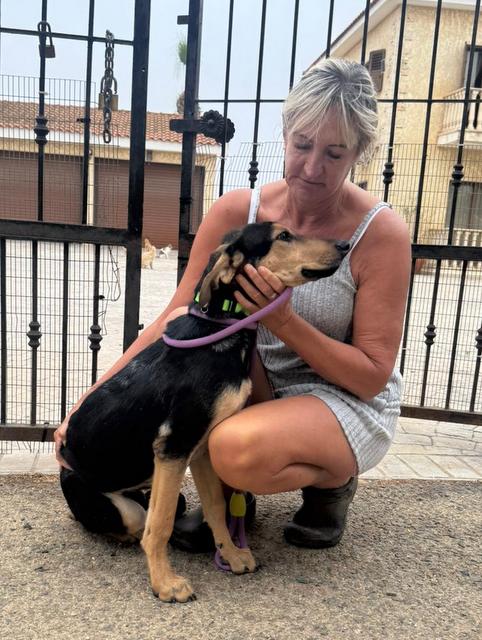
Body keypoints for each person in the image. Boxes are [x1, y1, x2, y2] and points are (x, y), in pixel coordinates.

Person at [54, 58, 411, 550]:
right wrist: (86, 402)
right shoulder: (239, 213)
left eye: (334, 153)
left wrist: (282, 320)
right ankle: (233, 492)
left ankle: (331, 483)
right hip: (252, 382)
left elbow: (371, 376)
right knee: (204, 385)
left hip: (343, 397)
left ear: (359, 152)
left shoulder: (381, 234)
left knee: (231, 449)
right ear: (284, 134)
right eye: (302, 145)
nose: (312, 168)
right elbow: (176, 319)